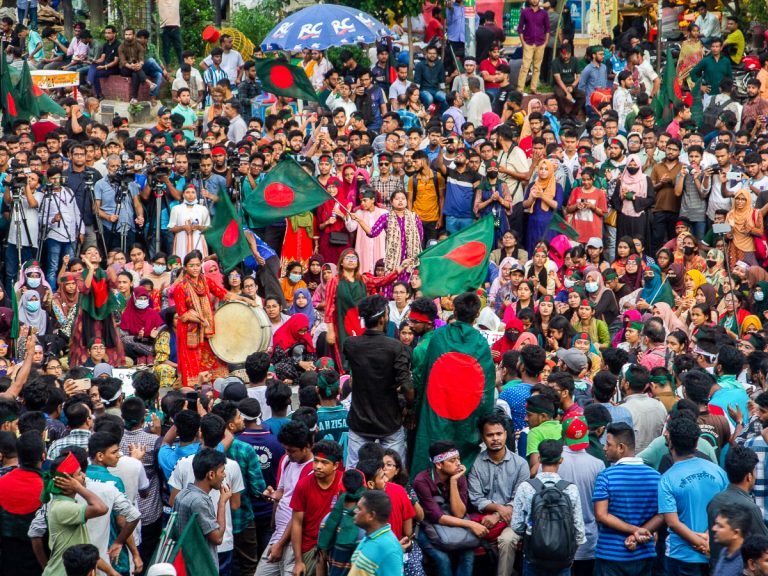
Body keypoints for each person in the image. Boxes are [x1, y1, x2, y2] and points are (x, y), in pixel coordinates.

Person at [344, 295, 412, 468]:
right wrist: (410, 407)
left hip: (359, 420)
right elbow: (406, 385)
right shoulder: (395, 347)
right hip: (389, 421)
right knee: (394, 473)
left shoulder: (351, 344)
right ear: (383, 318)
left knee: (355, 474)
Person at [172, 250, 255, 387]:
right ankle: (193, 388)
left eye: (197, 265)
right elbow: (183, 315)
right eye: (191, 266)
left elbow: (224, 294)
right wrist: (200, 320)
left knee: (213, 359)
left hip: (207, 329)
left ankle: (215, 388)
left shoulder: (206, 281)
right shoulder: (180, 287)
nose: (195, 268)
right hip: (189, 331)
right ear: (185, 267)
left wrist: (245, 299)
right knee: (192, 361)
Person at [659, 412, 728, 575]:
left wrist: (700, 543)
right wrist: (708, 540)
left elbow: (672, 522)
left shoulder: (667, 479)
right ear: (696, 443)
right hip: (715, 551)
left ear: (670, 443)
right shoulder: (718, 471)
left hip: (681, 555)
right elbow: (727, 509)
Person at [593, 422, 662, 576]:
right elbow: (662, 514)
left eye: (608, 444)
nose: (604, 448)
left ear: (621, 448)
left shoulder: (606, 476)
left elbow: (601, 515)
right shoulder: (656, 477)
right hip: (644, 553)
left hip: (610, 555)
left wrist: (634, 531)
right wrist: (638, 533)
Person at [468, 413, 530, 576]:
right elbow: (476, 498)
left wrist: (497, 515)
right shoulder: (475, 464)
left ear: (506, 434)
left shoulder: (521, 464)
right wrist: (497, 508)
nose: (495, 438)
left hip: (512, 520)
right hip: (483, 518)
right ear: (483, 437)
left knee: (506, 540)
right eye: (490, 435)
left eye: (499, 434)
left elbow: (519, 499)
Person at [512, 439, 586, 576]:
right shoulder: (570, 489)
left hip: (534, 556)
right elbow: (579, 531)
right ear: (561, 460)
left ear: (539, 459)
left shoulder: (525, 487)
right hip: (562, 558)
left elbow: (517, 525)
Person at [414, 440, 486, 576]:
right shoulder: (421, 481)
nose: (458, 463)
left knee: (468, 556)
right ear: (439, 464)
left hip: (455, 525)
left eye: (458, 459)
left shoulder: (459, 477)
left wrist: (453, 481)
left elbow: (459, 514)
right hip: (429, 527)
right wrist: (471, 524)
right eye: (452, 460)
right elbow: (438, 517)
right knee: (443, 559)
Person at [172, 448, 232, 573]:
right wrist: (222, 503)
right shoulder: (199, 501)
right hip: (201, 568)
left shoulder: (182, 495)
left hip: (187, 565)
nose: (224, 475)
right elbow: (217, 538)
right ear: (211, 475)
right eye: (222, 471)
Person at [290, 440, 344, 576]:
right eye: (316, 461)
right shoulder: (303, 485)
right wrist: (298, 561)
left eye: (324, 462)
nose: (318, 466)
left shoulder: (344, 483)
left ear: (335, 465)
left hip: (337, 546)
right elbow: (296, 523)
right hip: (311, 547)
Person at [350, 490, 404, 576]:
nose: (355, 511)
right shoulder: (368, 537)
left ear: (371, 515)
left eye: (359, 509)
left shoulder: (390, 549)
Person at [517, 0, 549, 93]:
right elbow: (520, 28)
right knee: (525, 67)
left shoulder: (544, 13)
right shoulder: (525, 12)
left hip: (540, 43)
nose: (535, 0)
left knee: (537, 67)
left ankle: (533, 88)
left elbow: (547, 28)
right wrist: (523, 42)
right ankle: (520, 89)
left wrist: (546, 42)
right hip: (528, 43)